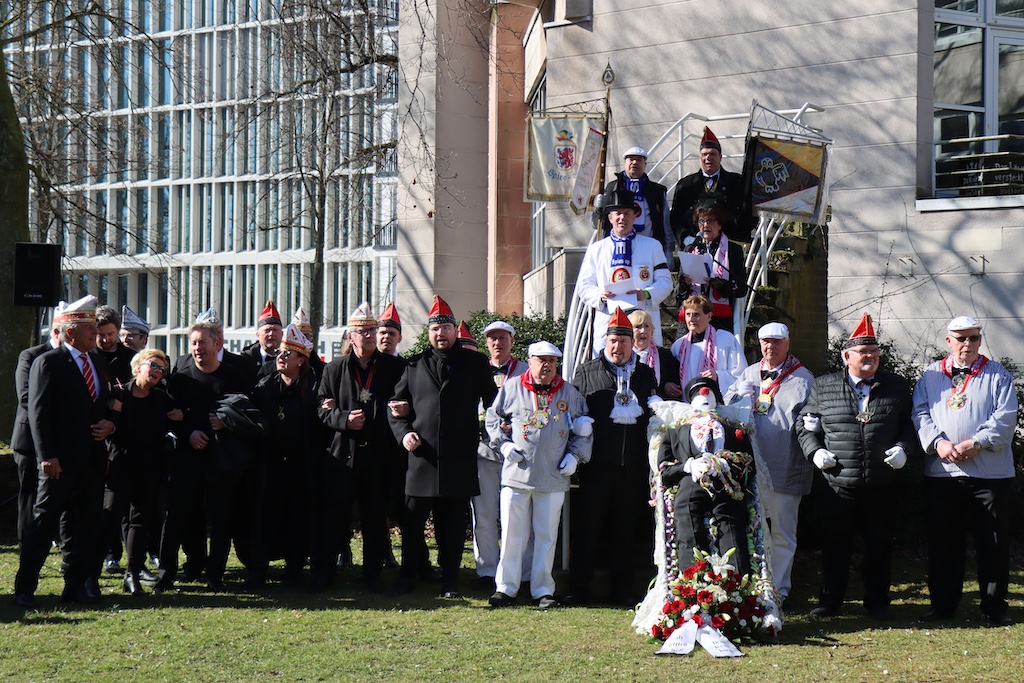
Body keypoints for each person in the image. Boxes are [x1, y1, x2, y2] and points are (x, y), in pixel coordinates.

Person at [796, 313, 916, 620]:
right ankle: (831, 600)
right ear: (847, 356)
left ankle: (877, 601)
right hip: (840, 483)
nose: (871, 358)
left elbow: (910, 426)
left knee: (879, 545)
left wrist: (904, 448)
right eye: (864, 353)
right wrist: (815, 452)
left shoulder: (897, 387)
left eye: (875, 353)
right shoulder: (823, 387)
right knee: (836, 546)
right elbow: (806, 426)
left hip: (882, 483)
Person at [388, 295, 498, 598]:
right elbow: (395, 407)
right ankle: (407, 577)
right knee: (412, 527)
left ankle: (450, 582)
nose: (441, 334)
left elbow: (494, 405)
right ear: (429, 333)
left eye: (446, 329)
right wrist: (403, 433)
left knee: (451, 529)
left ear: (454, 331)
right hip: (421, 459)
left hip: (459, 460)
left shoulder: (476, 364)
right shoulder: (414, 365)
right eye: (435, 330)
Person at [911, 316, 1017, 627]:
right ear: (949, 342)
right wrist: (938, 443)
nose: (967, 344)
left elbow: (1006, 417)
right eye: (961, 339)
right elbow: (919, 412)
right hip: (943, 472)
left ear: (980, 340)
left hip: (991, 473)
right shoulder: (930, 375)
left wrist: (978, 442)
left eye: (973, 338)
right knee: (944, 542)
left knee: (994, 543)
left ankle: (995, 608)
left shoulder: (998, 375)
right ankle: (943, 606)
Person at [14, 295, 118, 609]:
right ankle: (25, 588)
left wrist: (110, 424)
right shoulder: (48, 362)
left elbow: (108, 401)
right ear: (71, 332)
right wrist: (46, 455)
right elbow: (38, 413)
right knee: (43, 522)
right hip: (59, 460)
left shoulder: (98, 361)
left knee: (86, 523)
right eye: (89, 329)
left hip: (91, 460)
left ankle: (76, 585)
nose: (95, 334)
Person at [486, 341, 593, 608]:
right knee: (512, 534)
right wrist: (504, 443)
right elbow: (491, 417)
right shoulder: (512, 387)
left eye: (551, 361)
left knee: (546, 535)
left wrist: (575, 456)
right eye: (540, 360)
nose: (546, 366)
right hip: (517, 474)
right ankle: (506, 588)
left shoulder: (569, 392)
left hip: (553, 476)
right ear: (530, 361)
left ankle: (543, 589)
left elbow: (584, 427)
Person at [566, 307, 658, 606]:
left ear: (633, 343)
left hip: (632, 466)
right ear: (605, 342)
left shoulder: (645, 375)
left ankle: (622, 591)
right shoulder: (587, 371)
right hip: (597, 465)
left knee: (625, 530)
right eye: (613, 341)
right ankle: (579, 589)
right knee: (587, 528)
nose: (618, 347)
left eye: (624, 341)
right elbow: (576, 412)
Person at [316, 304, 408, 593]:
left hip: (379, 455)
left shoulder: (395, 367)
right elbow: (321, 407)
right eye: (362, 332)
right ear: (351, 337)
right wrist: (343, 419)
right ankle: (325, 574)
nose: (369, 336)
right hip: (343, 456)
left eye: (372, 330)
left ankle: (372, 576)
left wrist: (401, 409)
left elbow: (404, 400)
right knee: (334, 518)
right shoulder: (333, 369)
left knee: (375, 518)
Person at [725, 322, 814, 606]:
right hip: (751, 467)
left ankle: (780, 590)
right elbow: (727, 407)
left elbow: (811, 420)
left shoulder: (803, 379)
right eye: (765, 342)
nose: (770, 347)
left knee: (782, 533)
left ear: (788, 343)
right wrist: (739, 398)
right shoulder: (750, 373)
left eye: (776, 342)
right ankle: (756, 586)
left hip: (785, 467)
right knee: (753, 529)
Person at [158, 320, 251, 593]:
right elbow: (170, 417)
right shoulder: (181, 378)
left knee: (222, 519)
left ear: (217, 344)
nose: (198, 348)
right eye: (194, 343)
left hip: (221, 459)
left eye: (203, 342)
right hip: (188, 457)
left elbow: (247, 416)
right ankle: (165, 575)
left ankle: (215, 576)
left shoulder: (234, 377)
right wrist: (188, 433)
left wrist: (226, 423)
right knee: (176, 517)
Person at [252, 324, 327, 589]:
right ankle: (258, 572)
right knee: (266, 517)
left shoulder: (314, 389)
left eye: (288, 354)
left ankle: (295, 569)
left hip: (300, 465)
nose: (281, 357)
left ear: (301, 360)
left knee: (297, 517)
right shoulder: (263, 387)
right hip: (270, 465)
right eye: (280, 353)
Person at [658, 377, 753, 575]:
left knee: (730, 523)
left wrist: (727, 465)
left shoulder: (735, 431)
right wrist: (688, 466)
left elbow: (750, 466)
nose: (703, 394)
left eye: (708, 391)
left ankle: (735, 584)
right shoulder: (675, 433)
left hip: (724, 483)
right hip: (691, 482)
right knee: (687, 517)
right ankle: (693, 582)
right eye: (698, 392)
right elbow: (664, 470)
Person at [104, 349, 172, 596]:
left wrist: (179, 417)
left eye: (161, 370)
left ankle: (132, 573)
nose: (156, 372)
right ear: (138, 366)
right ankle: (88, 573)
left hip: (149, 467)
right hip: (120, 465)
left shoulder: (162, 399)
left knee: (140, 521)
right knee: (110, 517)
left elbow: (172, 421)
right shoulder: (118, 394)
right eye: (152, 365)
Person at [576, 187, 673, 356]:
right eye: (618, 213)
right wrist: (600, 295)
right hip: (609, 319)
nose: (622, 218)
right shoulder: (596, 250)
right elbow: (583, 286)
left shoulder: (652, 246)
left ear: (635, 216)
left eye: (627, 213)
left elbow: (666, 282)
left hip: (642, 320)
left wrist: (646, 293)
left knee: (645, 371)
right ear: (610, 217)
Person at [472, 320, 528, 591]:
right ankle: (486, 572)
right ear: (486, 343)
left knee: (518, 515)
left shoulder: (526, 371)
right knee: (483, 515)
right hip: (483, 452)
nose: (497, 343)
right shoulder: (473, 371)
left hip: (518, 454)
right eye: (492, 338)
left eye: (502, 338)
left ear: (512, 341)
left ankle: (519, 572)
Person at [10, 313, 61, 550]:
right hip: (29, 439)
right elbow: (26, 397)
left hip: (58, 440)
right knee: (29, 496)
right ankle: (26, 546)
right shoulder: (31, 355)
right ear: (56, 331)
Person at [669, 126, 753, 244]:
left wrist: (738, 238)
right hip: (694, 247)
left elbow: (749, 213)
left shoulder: (737, 182)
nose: (708, 158)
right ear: (700, 158)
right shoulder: (685, 186)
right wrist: (685, 238)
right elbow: (676, 218)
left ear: (720, 157)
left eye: (712, 154)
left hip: (729, 246)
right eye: (704, 154)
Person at [678, 199, 748, 333]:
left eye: (710, 221)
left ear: (720, 224)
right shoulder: (690, 249)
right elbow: (679, 292)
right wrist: (684, 283)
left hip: (718, 320)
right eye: (701, 221)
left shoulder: (732, 250)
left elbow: (742, 289)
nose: (705, 225)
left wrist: (722, 286)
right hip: (691, 320)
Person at [600, 146, 676, 263]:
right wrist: (597, 209)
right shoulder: (612, 188)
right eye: (631, 159)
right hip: (617, 249)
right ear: (624, 163)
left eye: (639, 160)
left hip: (648, 247)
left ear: (645, 164)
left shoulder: (657, 191)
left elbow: (665, 221)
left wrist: (668, 249)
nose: (635, 162)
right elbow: (599, 223)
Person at [670, 295, 746, 395]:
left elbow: (741, 373)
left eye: (696, 314)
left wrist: (718, 376)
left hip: (718, 402)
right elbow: (672, 376)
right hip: (688, 404)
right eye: (688, 314)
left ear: (709, 316)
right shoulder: (678, 346)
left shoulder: (726, 339)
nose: (691, 319)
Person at [627, 309, 681, 399]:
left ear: (652, 331)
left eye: (647, 326)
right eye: (638, 327)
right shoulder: (624, 356)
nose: (643, 331)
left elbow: (674, 380)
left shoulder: (664, 356)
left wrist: (666, 386)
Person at [96, 304, 137, 388]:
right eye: (101, 335)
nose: (106, 340)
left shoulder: (132, 357)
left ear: (118, 330)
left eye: (110, 334)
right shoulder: (87, 357)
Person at [242, 300, 284, 375]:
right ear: (258, 335)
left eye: (275, 330)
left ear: (282, 334)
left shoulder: (290, 360)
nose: (271, 334)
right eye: (267, 330)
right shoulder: (245, 360)